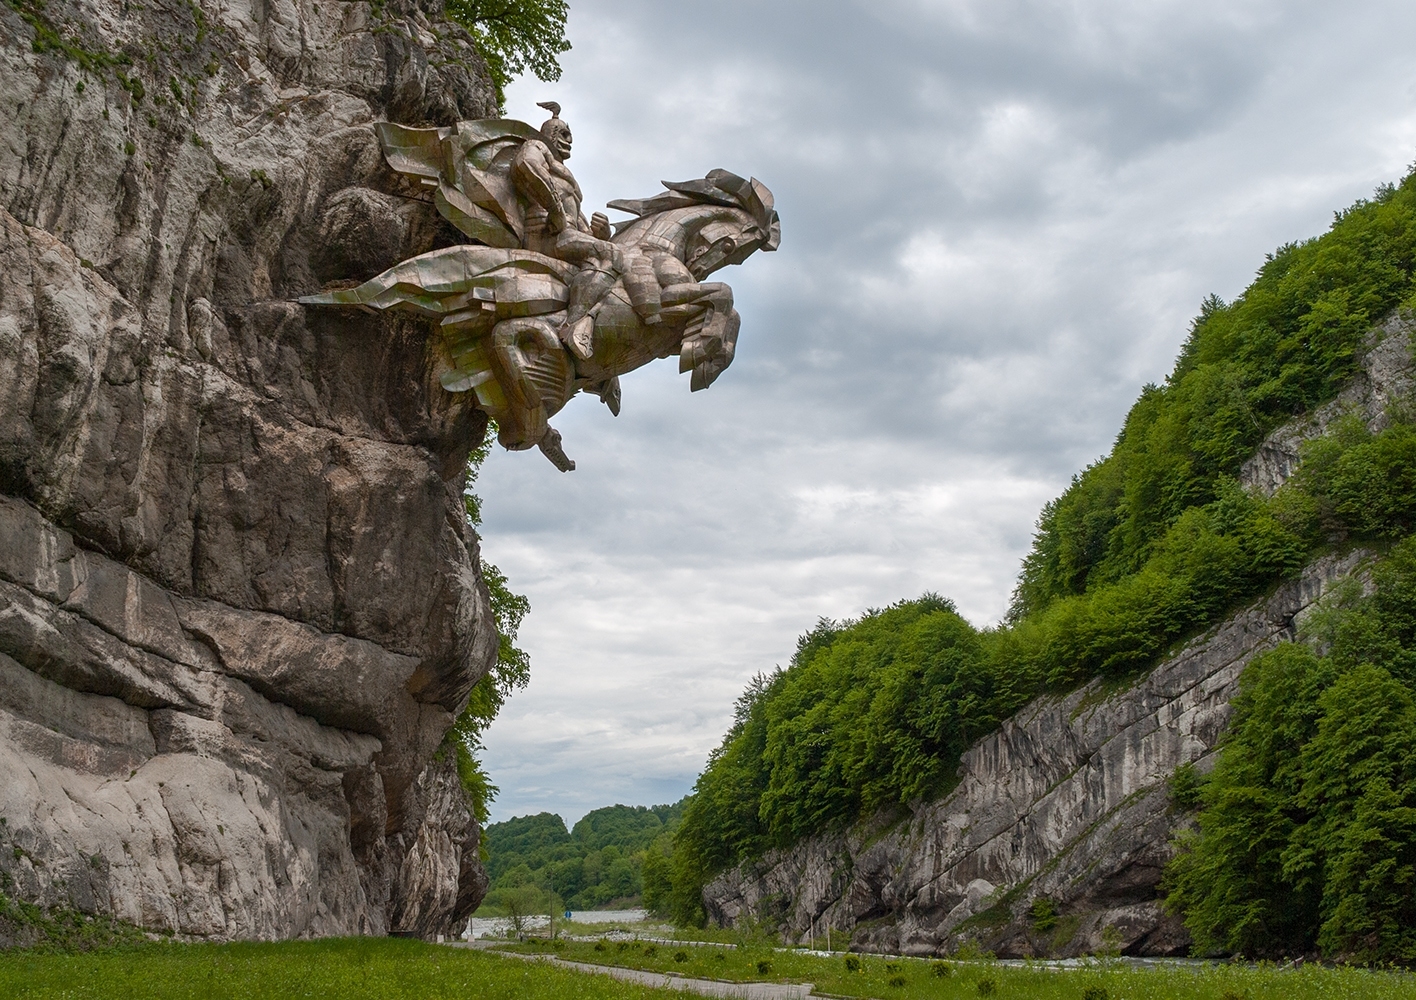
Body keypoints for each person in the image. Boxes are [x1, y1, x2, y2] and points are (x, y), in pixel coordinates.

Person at [511, 102, 661, 358]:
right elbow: (526, 166)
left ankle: (595, 324)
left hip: (565, 235)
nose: (569, 141)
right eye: (564, 134)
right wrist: (554, 208)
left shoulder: (565, 176)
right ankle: (573, 325)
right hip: (545, 236)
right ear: (550, 134)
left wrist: (600, 234)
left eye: (571, 136)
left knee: (610, 252)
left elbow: (576, 223)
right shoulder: (536, 148)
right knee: (612, 254)